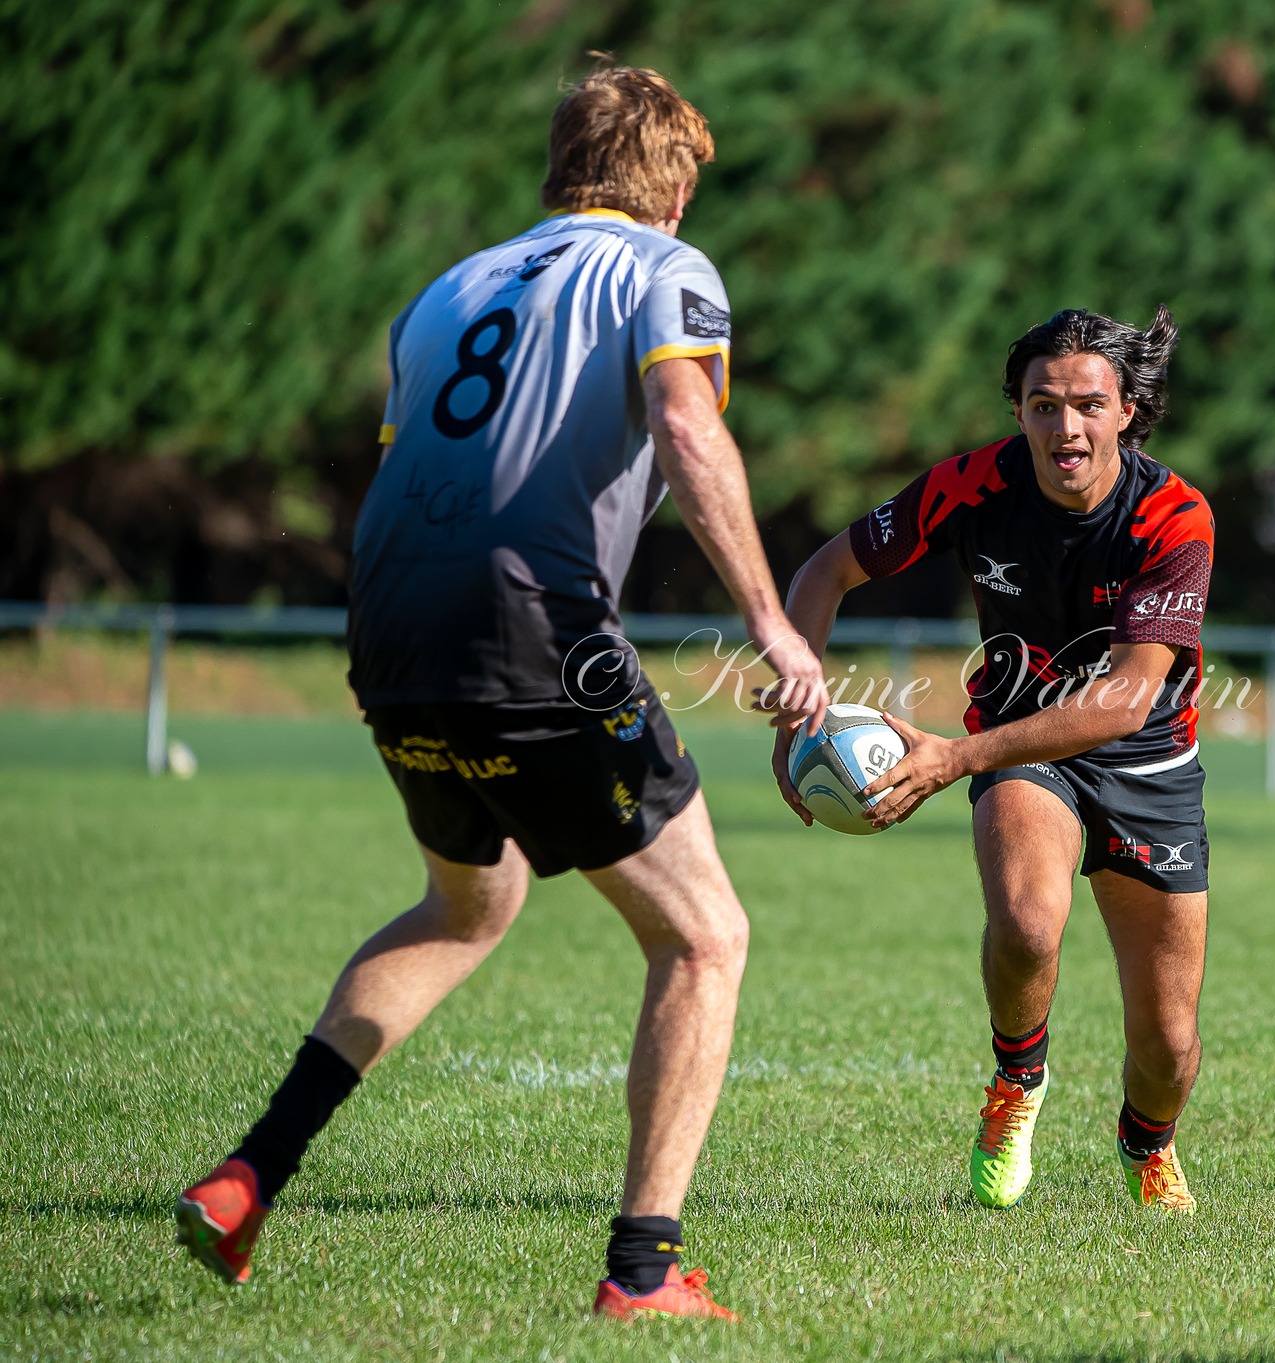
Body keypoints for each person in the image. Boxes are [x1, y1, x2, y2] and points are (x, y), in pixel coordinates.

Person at [172, 63, 828, 1320]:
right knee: (703, 938)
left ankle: (252, 1174)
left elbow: (421, 466)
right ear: (675, 183)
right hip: (535, 624)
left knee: (470, 903)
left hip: (390, 629)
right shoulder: (660, 271)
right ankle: (642, 1272)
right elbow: (687, 427)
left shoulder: (447, 290)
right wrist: (767, 624)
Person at [775, 306, 1213, 1212]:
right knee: (1025, 925)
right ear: (1016, 410)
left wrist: (952, 756)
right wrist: (797, 716)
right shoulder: (972, 485)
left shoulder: (1174, 515)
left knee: (1168, 1046)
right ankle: (1017, 1085)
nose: (1066, 426)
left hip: (1148, 764)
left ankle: (1147, 1143)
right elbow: (824, 572)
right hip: (1023, 749)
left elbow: (1125, 700)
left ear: (1127, 409)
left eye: (1088, 404)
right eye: (1042, 404)